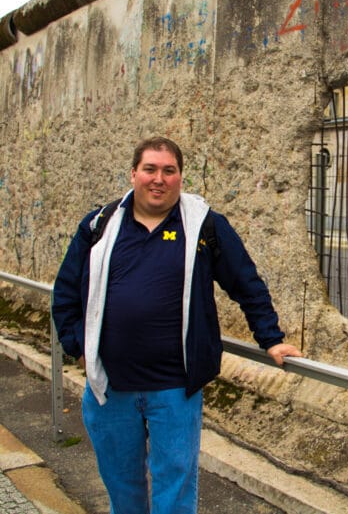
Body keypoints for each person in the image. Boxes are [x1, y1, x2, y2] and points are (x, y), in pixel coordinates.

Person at [51, 136, 302, 514]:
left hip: (174, 390)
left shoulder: (204, 226)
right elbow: (66, 291)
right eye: (150, 169)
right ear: (133, 173)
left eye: (169, 170)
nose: (159, 179)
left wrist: (271, 338)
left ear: (180, 177)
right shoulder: (99, 226)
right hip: (110, 388)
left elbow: (245, 282)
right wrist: (78, 346)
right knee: (123, 489)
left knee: (175, 492)